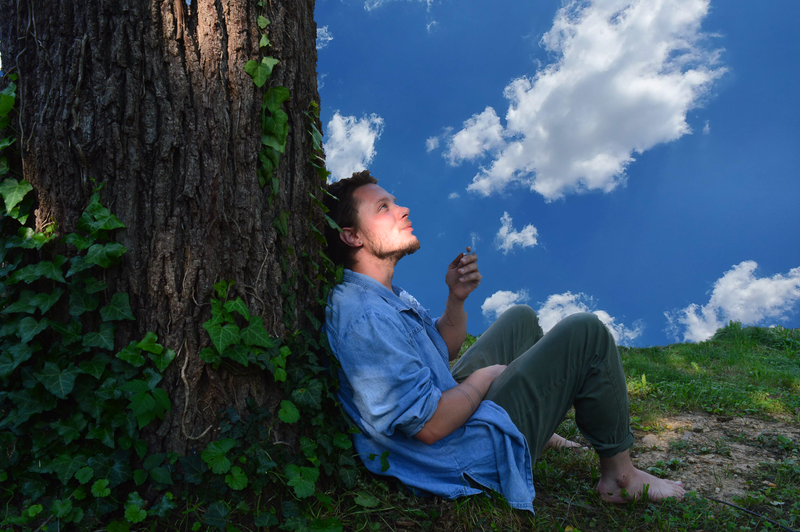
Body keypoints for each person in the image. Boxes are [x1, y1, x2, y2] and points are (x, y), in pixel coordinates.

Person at [322, 171, 684, 511]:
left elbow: (442, 350)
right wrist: (484, 377)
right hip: (460, 456)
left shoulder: (387, 296)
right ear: (353, 236)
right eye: (383, 207)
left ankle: (538, 433)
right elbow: (429, 427)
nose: (403, 209)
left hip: (451, 418)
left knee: (520, 318)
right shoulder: (365, 315)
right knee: (585, 332)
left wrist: (457, 297)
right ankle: (621, 477)